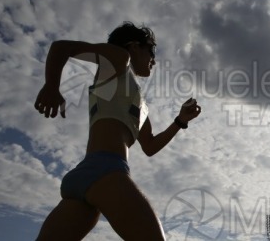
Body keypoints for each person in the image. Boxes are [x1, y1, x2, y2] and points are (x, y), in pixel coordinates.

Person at [34, 21, 201, 240]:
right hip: (106, 172)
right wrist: (51, 86)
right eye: (151, 49)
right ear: (133, 46)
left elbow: (149, 145)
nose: (154, 59)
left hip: (87, 177)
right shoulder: (119, 59)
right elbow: (61, 47)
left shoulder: (138, 103)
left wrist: (179, 121)